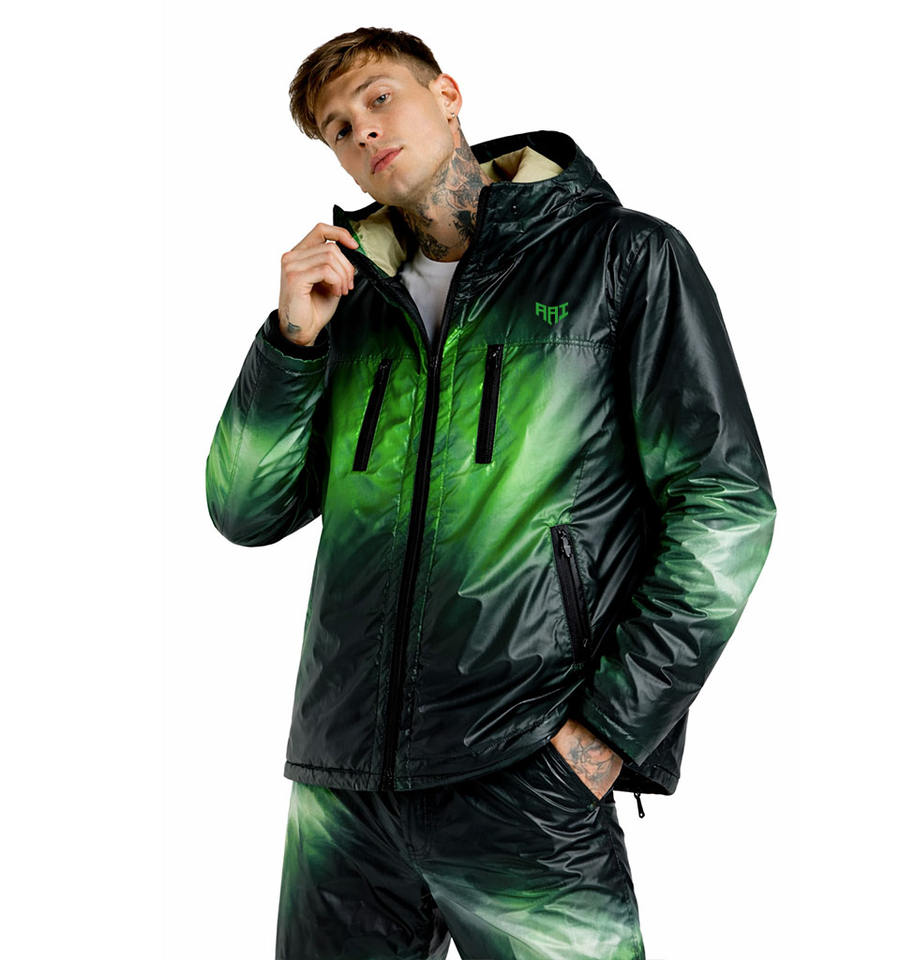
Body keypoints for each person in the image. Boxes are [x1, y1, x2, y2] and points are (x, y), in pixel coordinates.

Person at [205, 25, 777, 960]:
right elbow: (243, 508)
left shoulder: (622, 257)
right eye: (338, 127)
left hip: (525, 767)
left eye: (379, 97)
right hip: (343, 785)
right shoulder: (351, 301)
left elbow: (725, 506)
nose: (363, 130)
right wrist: (290, 343)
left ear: (447, 94)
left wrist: (607, 735)